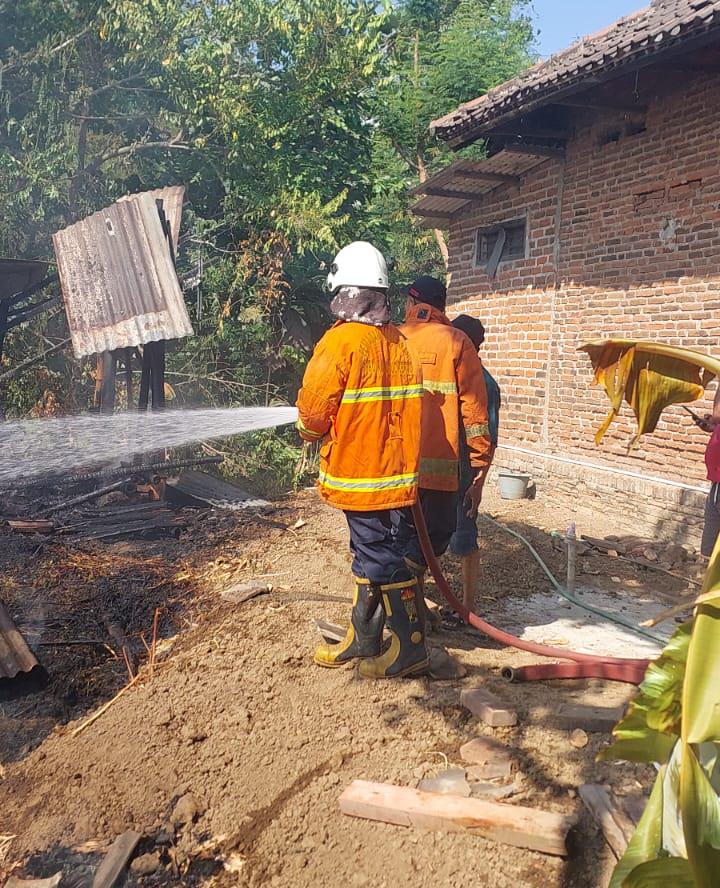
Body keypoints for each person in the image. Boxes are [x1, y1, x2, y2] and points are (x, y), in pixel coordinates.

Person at [295, 241, 429, 679]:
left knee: (380, 558)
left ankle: (411, 649)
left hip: (361, 474)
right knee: (371, 554)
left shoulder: (341, 343)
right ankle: (365, 638)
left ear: (345, 292)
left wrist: (309, 433)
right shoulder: (399, 342)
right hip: (396, 474)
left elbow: (314, 412)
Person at [397, 276, 493, 594]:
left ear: (412, 303)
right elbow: (475, 410)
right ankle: (402, 596)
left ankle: (400, 605)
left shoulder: (391, 338)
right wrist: (479, 463)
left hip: (394, 467)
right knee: (435, 536)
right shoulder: (456, 342)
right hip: (440, 471)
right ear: (441, 306)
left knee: (400, 538)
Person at [449, 315, 501, 613]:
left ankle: (467, 609)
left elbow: (489, 440)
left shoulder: (486, 385)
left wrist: (479, 485)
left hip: (465, 475)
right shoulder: (446, 375)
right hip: (437, 472)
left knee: (465, 539)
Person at [697, 386, 720, 557]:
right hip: (716, 480)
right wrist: (713, 427)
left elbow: (718, 414)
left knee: (713, 550)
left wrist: (716, 419)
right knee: (710, 549)